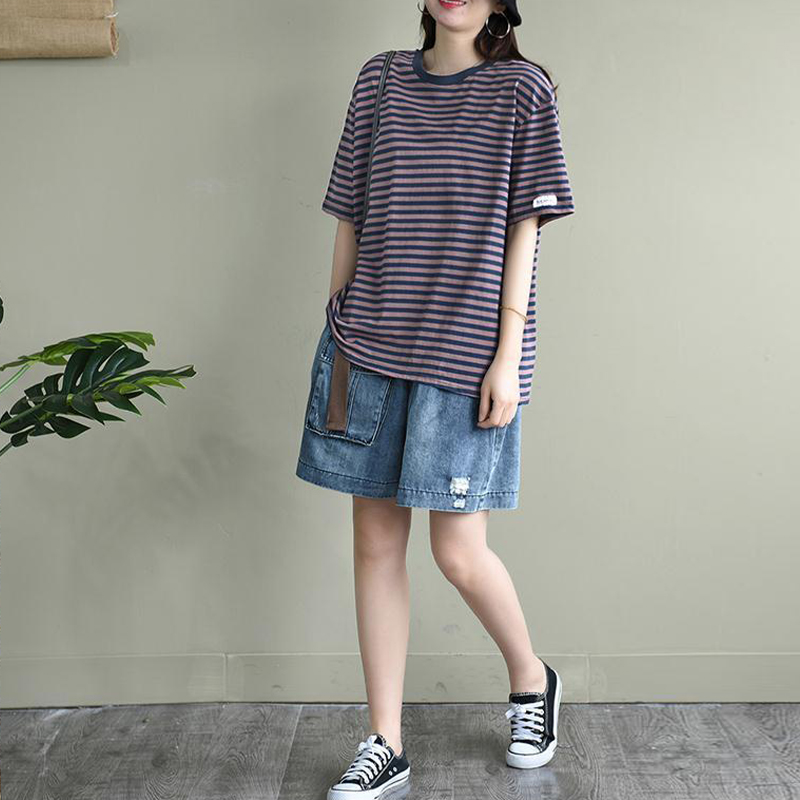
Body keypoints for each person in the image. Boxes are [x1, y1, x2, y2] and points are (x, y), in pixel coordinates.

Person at [295, 1, 575, 797]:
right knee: (375, 544)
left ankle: (532, 680)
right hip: (369, 345)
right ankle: (385, 740)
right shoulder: (379, 81)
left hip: (466, 354)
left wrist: (508, 357)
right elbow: (350, 213)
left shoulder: (523, 90)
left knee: (457, 551)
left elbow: (527, 227)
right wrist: (336, 329)